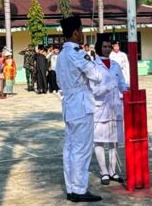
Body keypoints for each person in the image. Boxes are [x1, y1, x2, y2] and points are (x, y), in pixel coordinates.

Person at [56, 15, 103, 203]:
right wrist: (91, 60)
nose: (82, 34)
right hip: (81, 105)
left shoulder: (60, 56)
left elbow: (59, 80)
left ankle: (71, 188)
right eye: (81, 31)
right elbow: (97, 75)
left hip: (69, 104)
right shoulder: (76, 54)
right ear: (76, 33)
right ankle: (79, 189)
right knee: (81, 150)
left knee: (70, 149)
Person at [91, 35, 128, 186]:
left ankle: (113, 171)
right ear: (99, 47)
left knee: (114, 141)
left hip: (115, 107)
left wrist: (126, 89)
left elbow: (122, 83)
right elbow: (92, 89)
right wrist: (106, 88)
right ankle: (104, 171)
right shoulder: (93, 66)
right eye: (104, 46)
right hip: (100, 108)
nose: (107, 49)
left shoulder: (115, 65)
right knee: (99, 141)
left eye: (109, 47)